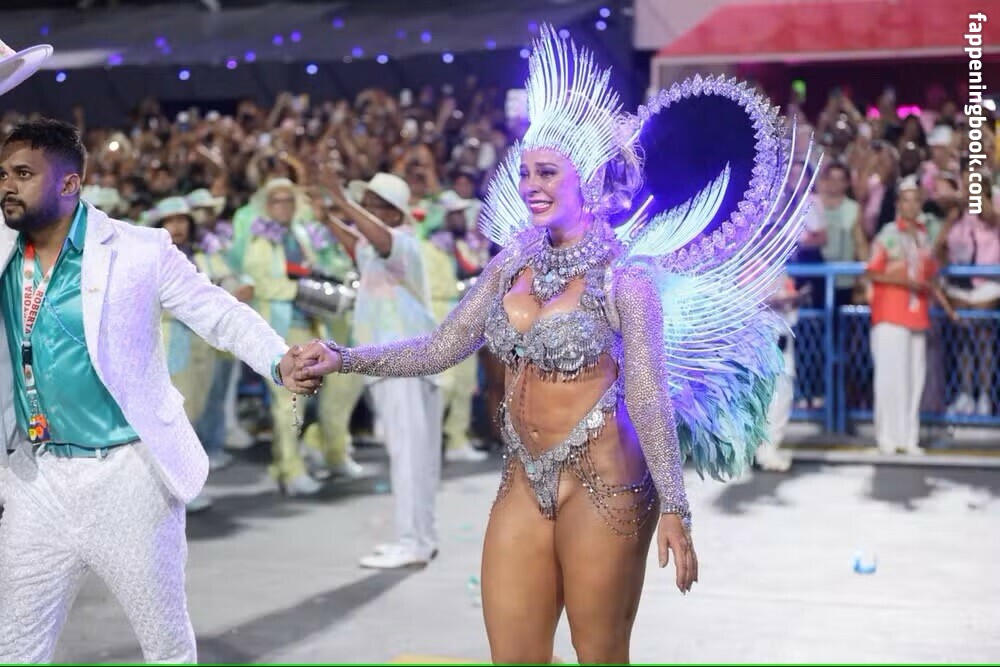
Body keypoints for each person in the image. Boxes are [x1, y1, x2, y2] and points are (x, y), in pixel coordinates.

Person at [296, 26, 811, 663]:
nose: (530, 185)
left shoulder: (626, 280)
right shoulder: (511, 262)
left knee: (600, 654)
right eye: (524, 172)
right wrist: (344, 358)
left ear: (588, 178)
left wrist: (676, 506)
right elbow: (442, 345)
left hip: (607, 484)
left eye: (547, 172)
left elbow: (648, 396)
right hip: (522, 477)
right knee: (513, 655)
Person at [0, 119, 317, 663]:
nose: (7, 185)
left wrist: (275, 357)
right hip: (36, 477)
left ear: (70, 183)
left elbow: (215, 310)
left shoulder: (140, 250)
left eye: (23, 174)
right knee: (13, 648)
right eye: (3, 174)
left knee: (165, 647)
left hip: (129, 478)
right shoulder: (5, 247)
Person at [320, 170, 442, 569]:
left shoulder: (402, 243)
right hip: (399, 361)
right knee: (415, 455)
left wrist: (342, 201)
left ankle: (412, 542)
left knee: (409, 456)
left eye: (374, 207)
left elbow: (375, 238)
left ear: (393, 214)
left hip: (401, 360)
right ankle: (422, 537)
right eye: (364, 205)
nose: (364, 214)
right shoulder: (372, 250)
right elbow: (356, 243)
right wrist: (327, 215)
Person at [864, 176, 958, 455]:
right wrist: (906, 282)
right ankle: (887, 438)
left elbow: (931, 275)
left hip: (917, 315)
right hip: (890, 315)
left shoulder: (923, 236)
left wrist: (948, 307)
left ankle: (908, 438)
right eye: (906, 200)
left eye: (916, 200)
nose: (912, 205)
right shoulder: (888, 234)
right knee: (889, 378)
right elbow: (872, 272)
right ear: (898, 204)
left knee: (914, 380)